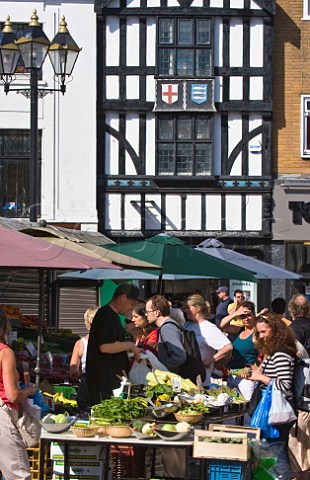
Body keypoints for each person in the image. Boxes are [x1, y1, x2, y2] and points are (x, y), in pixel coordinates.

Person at [241, 313, 297, 480]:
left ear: (276, 330)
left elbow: (284, 385)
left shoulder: (280, 353)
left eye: (264, 331)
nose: (261, 336)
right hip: (269, 408)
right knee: (270, 453)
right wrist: (255, 373)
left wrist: (259, 377)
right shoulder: (273, 351)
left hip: (275, 411)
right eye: (258, 333)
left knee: (276, 453)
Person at [86, 284, 141, 403]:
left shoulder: (112, 316)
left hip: (110, 383)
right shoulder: (106, 315)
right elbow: (105, 347)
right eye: (132, 304)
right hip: (103, 383)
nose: (131, 310)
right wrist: (131, 345)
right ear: (123, 298)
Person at [0, 307, 36, 480]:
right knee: (18, 475)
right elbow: (13, 395)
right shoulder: (4, 352)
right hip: (2, 417)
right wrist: (29, 390)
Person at [184, 294, 233, 386]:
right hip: (186, 378)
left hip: (201, 380)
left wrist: (210, 360)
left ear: (197, 308)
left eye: (188, 307)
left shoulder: (209, 328)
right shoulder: (187, 325)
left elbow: (228, 347)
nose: (185, 310)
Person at [221, 301, 259, 400]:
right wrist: (235, 313)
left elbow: (265, 354)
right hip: (232, 375)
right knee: (231, 409)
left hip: (247, 378)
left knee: (246, 411)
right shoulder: (239, 330)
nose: (246, 318)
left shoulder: (257, 333)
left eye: (249, 315)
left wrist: (254, 368)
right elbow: (222, 325)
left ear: (254, 315)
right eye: (243, 316)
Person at [145, 295, 187, 375]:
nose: (146, 315)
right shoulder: (167, 327)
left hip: (174, 380)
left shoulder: (168, 328)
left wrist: (161, 369)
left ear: (157, 312)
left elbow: (179, 356)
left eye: (147, 312)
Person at [69, 306, 99, 412]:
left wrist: (79, 376)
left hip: (87, 385)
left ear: (88, 323)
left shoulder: (80, 343)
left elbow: (73, 371)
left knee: (85, 417)